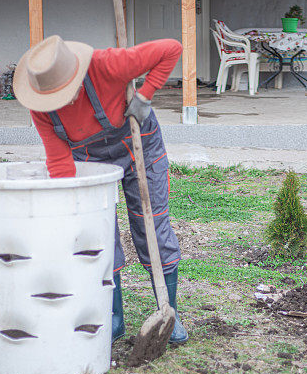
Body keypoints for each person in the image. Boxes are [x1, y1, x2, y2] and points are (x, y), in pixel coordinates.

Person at [13, 35, 187, 344]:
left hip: (139, 149)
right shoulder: (40, 107)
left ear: (77, 80)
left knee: (153, 230)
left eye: (63, 94)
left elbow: (171, 49)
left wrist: (144, 96)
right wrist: (73, 203)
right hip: (90, 162)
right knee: (100, 233)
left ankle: (167, 310)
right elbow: (60, 161)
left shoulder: (108, 64)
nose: (59, 103)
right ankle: (113, 318)